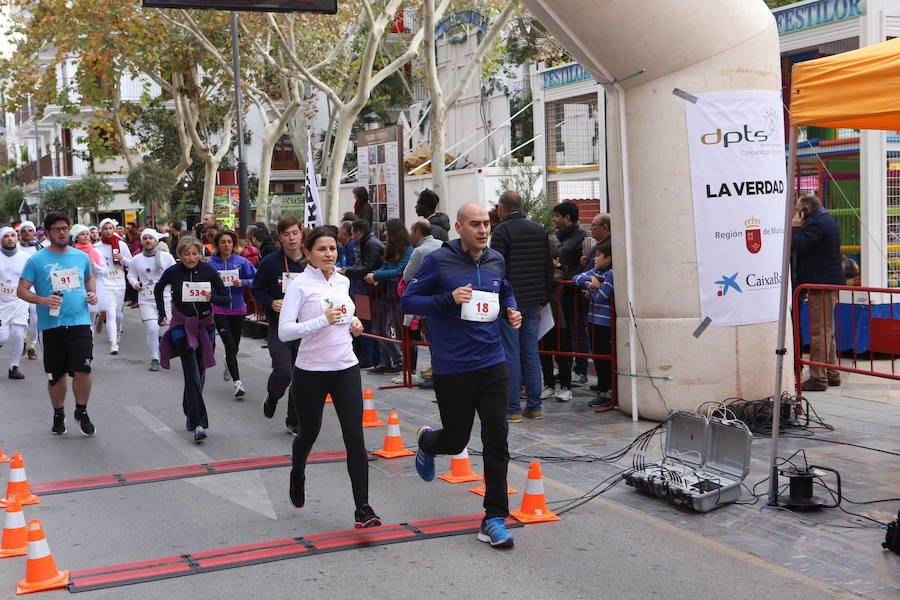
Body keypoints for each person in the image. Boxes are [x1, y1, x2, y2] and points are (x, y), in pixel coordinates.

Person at [401, 202, 521, 548]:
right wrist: (447, 298)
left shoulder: (496, 258)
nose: (483, 230)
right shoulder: (439, 260)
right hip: (454, 365)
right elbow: (408, 301)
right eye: (475, 224)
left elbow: (504, 290)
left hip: (492, 362)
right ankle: (428, 442)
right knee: (456, 441)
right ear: (458, 228)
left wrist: (511, 310)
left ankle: (494, 517)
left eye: (487, 224)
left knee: (497, 439)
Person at [278, 226, 380, 528]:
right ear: (308, 253)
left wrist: (354, 322)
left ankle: (363, 508)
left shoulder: (343, 281)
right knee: (308, 434)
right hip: (311, 371)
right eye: (322, 249)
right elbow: (285, 331)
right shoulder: (299, 286)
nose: (329, 254)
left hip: (345, 367)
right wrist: (322, 321)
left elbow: (345, 314)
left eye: (333, 249)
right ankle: (298, 472)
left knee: (355, 437)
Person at [17, 213, 99, 436]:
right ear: (48, 232)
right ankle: (58, 412)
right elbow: (21, 290)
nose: (62, 233)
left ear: (69, 229)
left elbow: (88, 278)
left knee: (83, 368)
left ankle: (81, 411)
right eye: (56, 229)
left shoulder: (80, 257)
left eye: (65, 228)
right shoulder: (36, 260)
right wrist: (42, 300)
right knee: (57, 374)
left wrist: (91, 294)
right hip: (51, 325)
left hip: (80, 322)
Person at [155, 236, 230, 442]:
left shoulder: (209, 271)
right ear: (179, 255)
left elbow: (226, 298)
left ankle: (190, 407)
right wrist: (162, 313)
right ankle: (199, 423)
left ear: (200, 254)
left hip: (206, 325)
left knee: (200, 370)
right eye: (186, 254)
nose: (190, 257)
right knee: (191, 370)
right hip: (181, 324)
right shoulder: (173, 272)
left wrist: (211, 298)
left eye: (194, 253)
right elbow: (158, 288)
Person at [490, 191, 554, 421]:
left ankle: (513, 408)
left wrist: (496, 298)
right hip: (534, 301)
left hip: (510, 302)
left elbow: (496, 267)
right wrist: (545, 298)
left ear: (503, 209)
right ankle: (535, 406)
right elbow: (548, 266)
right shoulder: (538, 229)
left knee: (510, 353)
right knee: (531, 352)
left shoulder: (501, 231)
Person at [251, 216, 306, 434]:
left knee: (301, 377)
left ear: (301, 233)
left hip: (306, 328)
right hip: (280, 327)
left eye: (295, 232)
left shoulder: (311, 261)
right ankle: (272, 396)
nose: (291, 238)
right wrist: (270, 302)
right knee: (284, 372)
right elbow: (256, 289)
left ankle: (294, 420)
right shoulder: (271, 262)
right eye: (286, 234)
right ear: (279, 238)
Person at [792, 193, 843, 391]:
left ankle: (818, 377)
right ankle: (832, 373)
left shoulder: (816, 223)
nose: (797, 214)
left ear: (806, 209)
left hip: (820, 283)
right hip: (828, 282)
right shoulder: (826, 219)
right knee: (827, 330)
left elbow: (799, 246)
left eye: (798, 210)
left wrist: (796, 228)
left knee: (818, 331)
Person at [207, 229, 257, 397]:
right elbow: (203, 283)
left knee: (234, 345)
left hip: (238, 308)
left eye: (229, 242)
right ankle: (238, 383)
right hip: (219, 310)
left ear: (234, 244)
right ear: (217, 245)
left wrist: (243, 282)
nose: (226, 245)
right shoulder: (211, 264)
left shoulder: (242, 262)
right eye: (223, 242)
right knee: (229, 345)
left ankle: (229, 362)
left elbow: (256, 279)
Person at [364, 219, 412, 375]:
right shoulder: (390, 248)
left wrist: (375, 275)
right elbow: (386, 267)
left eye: (387, 230)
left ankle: (402, 363)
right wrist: (376, 275)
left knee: (399, 330)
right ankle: (387, 361)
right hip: (388, 293)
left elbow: (399, 271)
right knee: (380, 329)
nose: (384, 233)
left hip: (400, 295)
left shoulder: (408, 250)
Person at [127, 228, 175, 371]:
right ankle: (155, 358)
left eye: (150, 238)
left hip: (165, 299)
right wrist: (136, 284)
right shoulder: (136, 259)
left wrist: (173, 286)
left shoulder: (166, 257)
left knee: (164, 331)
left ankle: (162, 345)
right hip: (146, 299)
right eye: (145, 238)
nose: (147, 240)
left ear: (156, 240)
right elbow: (131, 275)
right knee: (153, 329)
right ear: (142, 241)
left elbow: (175, 272)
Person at [402, 219, 443, 387]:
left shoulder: (419, 251)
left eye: (412, 231)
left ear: (418, 231)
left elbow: (407, 275)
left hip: (426, 298)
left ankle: (437, 375)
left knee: (432, 338)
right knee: (439, 338)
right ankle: (437, 370)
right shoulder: (442, 244)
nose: (411, 235)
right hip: (443, 296)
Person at [572, 242, 614, 408]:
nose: (595, 259)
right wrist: (591, 281)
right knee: (596, 356)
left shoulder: (611, 274)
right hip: (593, 320)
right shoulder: (596, 272)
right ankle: (602, 389)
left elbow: (601, 297)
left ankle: (607, 391)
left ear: (609, 258)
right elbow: (576, 278)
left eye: (599, 256)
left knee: (605, 358)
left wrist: (593, 290)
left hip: (605, 324)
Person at [341, 219, 384, 370]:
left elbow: (367, 268)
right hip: (365, 289)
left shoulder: (370, 244)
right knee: (366, 322)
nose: (352, 237)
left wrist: (347, 271)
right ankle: (370, 358)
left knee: (368, 323)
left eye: (353, 234)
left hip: (370, 290)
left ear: (358, 233)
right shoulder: (365, 243)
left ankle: (370, 358)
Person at [94, 218, 133, 354]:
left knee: (118, 314)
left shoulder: (121, 245)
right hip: (105, 283)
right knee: (110, 312)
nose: (108, 231)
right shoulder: (97, 247)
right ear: (101, 231)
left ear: (113, 229)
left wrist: (122, 258)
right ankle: (113, 343)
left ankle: (118, 330)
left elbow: (131, 263)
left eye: (110, 228)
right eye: (105, 228)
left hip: (119, 282)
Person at [0, 227, 30, 380]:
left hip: (20, 301)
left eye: (13, 235)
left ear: (17, 238)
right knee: (2, 337)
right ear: (1, 239)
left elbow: (32, 278)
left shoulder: (25, 257)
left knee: (18, 335)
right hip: (1, 303)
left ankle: (14, 367)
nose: (10, 238)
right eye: (6, 236)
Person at [16, 220, 42, 360]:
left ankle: (32, 345)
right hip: (18, 286)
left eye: (30, 230)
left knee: (34, 318)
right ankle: (23, 341)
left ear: (34, 232)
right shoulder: (14, 247)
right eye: (24, 230)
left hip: (35, 286)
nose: (27, 232)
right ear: (20, 233)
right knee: (21, 317)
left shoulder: (40, 248)